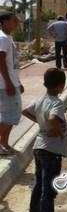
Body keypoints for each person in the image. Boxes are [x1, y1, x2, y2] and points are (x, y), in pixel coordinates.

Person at [22, 68, 67, 212]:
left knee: (39, 185)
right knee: (49, 190)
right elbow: (52, 119)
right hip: (51, 150)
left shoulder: (40, 100)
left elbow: (25, 111)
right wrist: (56, 130)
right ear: (61, 86)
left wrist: (42, 125)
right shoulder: (56, 102)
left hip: (39, 147)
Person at [0, 13, 24, 156]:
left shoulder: (8, 38)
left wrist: (17, 82)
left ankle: (4, 144)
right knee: (11, 116)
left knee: (8, 117)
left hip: (11, 83)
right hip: (5, 85)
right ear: (4, 22)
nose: (16, 23)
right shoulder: (3, 39)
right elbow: (0, 61)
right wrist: (9, 83)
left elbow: (11, 64)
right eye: (14, 21)